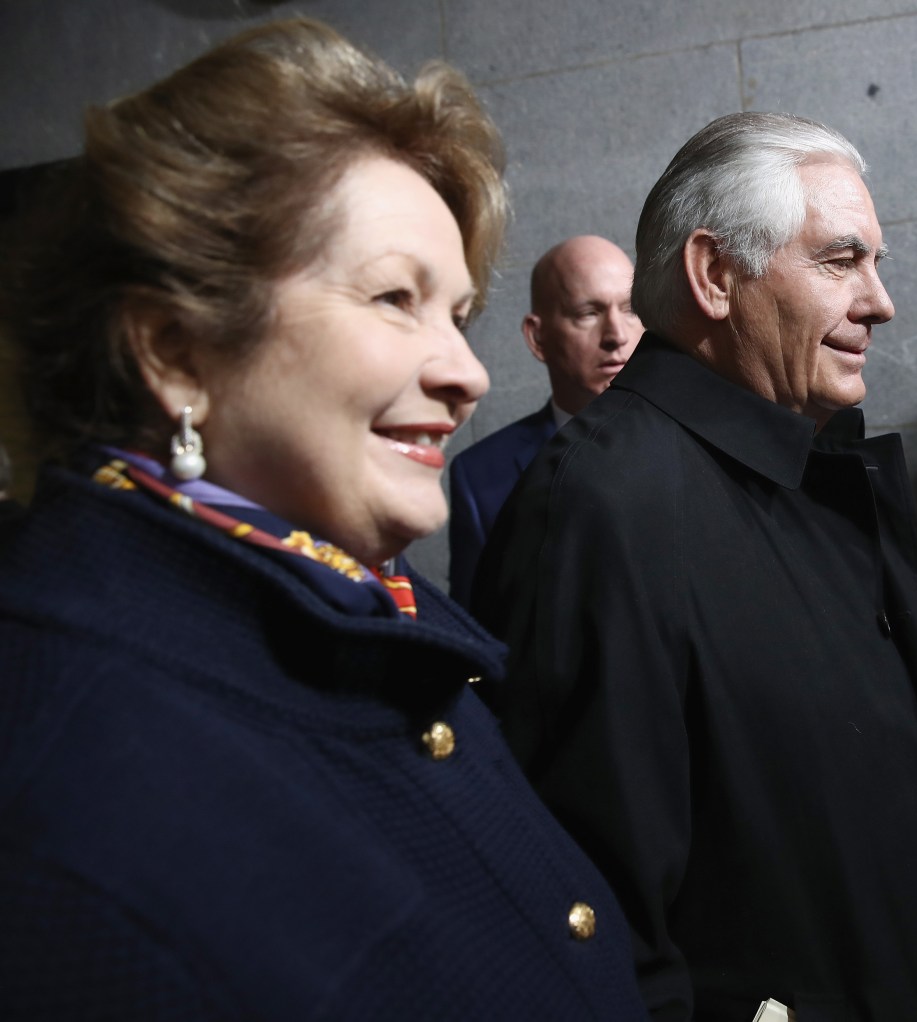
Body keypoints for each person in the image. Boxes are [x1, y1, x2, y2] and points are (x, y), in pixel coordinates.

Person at [0, 19, 646, 1019]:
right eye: (396, 296)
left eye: (461, 315)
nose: (468, 374)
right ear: (174, 349)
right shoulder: (61, 795)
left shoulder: (355, 623)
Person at [474, 111, 917, 1021]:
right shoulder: (606, 501)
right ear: (716, 276)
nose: (880, 303)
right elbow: (595, 917)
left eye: (877, 264)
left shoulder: (809, 466)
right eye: (842, 262)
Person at [448, 234, 642, 609]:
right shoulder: (481, 477)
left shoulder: (698, 445)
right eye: (589, 313)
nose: (617, 335)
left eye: (631, 310)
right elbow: (474, 631)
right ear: (538, 338)